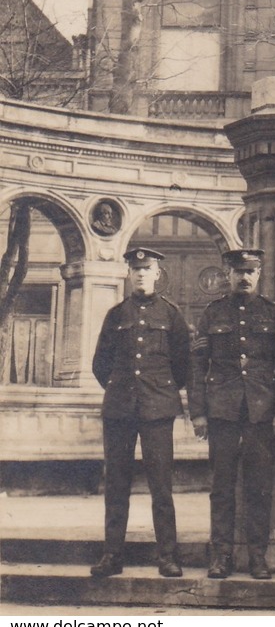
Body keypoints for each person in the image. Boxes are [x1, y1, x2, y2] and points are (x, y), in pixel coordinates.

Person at [189, 249, 275, 581]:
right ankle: (221, 555)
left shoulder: (273, 314)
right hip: (221, 411)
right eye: (238, 271)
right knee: (221, 486)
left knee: (259, 486)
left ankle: (257, 556)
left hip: (261, 413)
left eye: (250, 272)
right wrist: (198, 413)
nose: (244, 277)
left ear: (260, 274)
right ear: (228, 274)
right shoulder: (212, 313)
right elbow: (197, 365)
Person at [90, 247, 190, 578]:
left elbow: (183, 366)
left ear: (158, 274)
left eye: (147, 269)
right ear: (129, 274)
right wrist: (121, 390)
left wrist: (158, 391)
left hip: (157, 410)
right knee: (116, 484)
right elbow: (100, 365)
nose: (142, 274)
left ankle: (168, 557)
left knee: (161, 486)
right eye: (136, 269)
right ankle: (112, 555)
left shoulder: (172, 315)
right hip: (120, 410)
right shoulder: (115, 315)